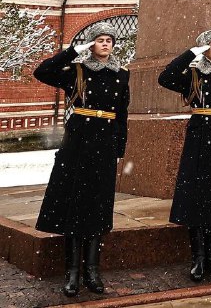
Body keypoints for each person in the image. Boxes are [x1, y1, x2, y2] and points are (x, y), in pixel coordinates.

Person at [33, 22, 130, 297]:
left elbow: (122, 114)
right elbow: (42, 71)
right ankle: (73, 272)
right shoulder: (76, 70)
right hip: (78, 142)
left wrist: (119, 148)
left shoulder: (122, 74)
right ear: (91, 44)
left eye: (109, 40)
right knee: (75, 205)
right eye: (100, 40)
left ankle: (92, 271)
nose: (105, 44)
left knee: (98, 208)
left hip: (105, 143)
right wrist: (73, 51)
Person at [158, 29, 211, 282]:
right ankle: (197, 257)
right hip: (199, 138)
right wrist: (190, 54)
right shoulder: (193, 72)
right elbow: (165, 77)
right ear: (203, 48)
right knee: (195, 197)